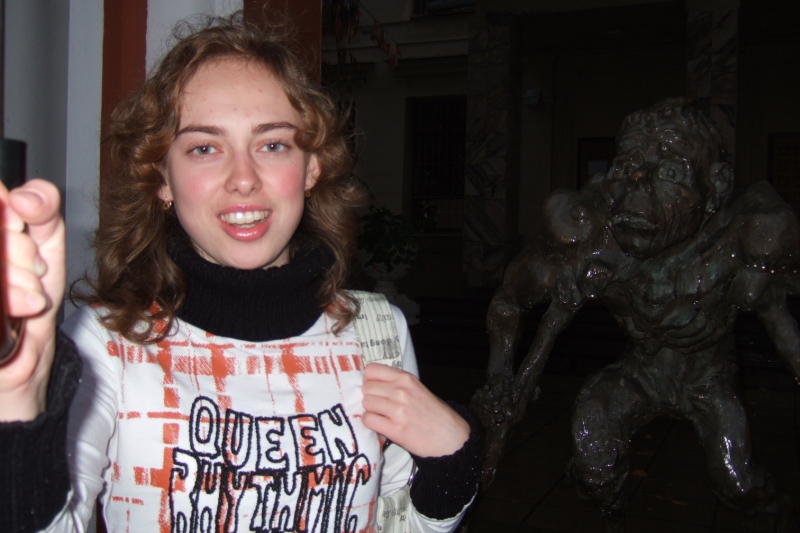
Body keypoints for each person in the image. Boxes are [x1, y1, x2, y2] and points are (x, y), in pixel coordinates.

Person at [0, 15, 478, 533]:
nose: (244, 179)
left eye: (272, 144)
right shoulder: (109, 344)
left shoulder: (377, 332)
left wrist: (451, 464)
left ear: (311, 167)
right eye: (204, 148)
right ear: (162, 179)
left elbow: (401, 522)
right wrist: (17, 410)